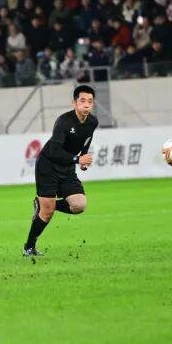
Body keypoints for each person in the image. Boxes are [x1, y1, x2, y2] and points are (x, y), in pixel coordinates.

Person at [24, 85, 98, 256]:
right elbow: (54, 150)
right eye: (82, 101)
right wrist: (77, 159)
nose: (86, 104)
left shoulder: (92, 122)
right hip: (48, 166)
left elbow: (86, 140)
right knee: (47, 213)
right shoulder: (64, 121)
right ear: (74, 103)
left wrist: (83, 158)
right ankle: (29, 247)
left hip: (67, 167)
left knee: (79, 205)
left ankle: (43, 204)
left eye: (90, 101)